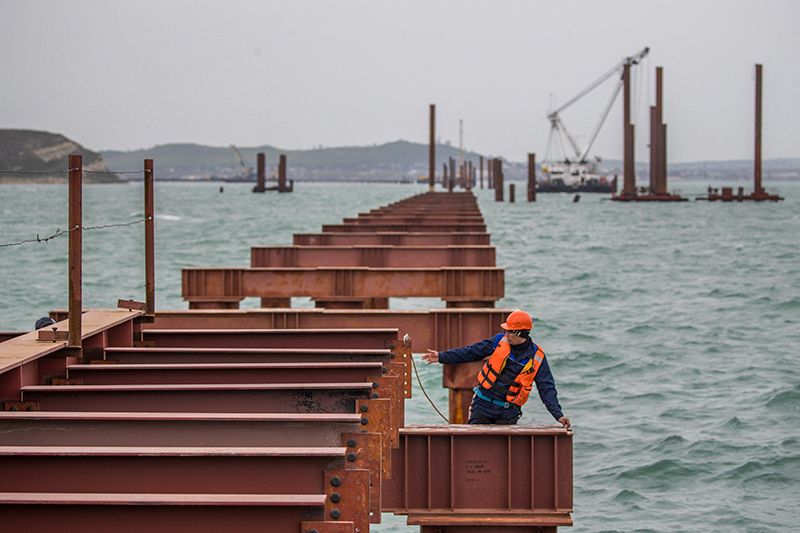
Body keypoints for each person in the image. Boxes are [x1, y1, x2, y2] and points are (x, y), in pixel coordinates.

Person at [422, 310, 570, 428]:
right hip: (482, 406)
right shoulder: (499, 341)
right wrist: (442, 357)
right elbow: (471, 352)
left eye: (509, 331)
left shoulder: (537, 358)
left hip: (508, 412)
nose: (506, 334)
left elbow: (547, 388)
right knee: (473, 448)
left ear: (519, 333)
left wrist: (558, 415)